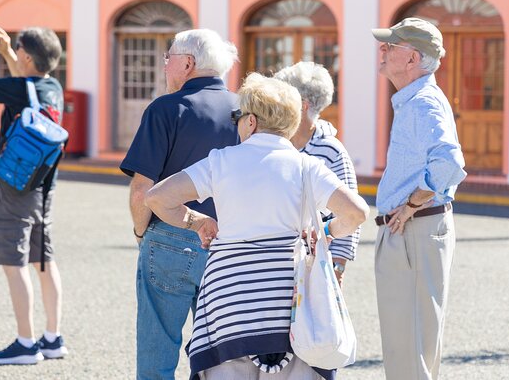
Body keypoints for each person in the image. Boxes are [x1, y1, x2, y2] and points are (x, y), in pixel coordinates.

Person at [145, 73, 369, 379]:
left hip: (229, 302)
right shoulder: (307, 167)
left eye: (237, 117)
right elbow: (356, 212)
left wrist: (197, 221)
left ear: (250, 121)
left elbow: (157, 198)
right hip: (292, 307)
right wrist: (326, 233)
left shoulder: (220, 162)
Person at [119, 28, 240, 379]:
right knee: (218, 357)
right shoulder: (246, 111)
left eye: (168, 57)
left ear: (187, 63)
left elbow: (142, 190)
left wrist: (141, 232)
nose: (164, 64)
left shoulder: (166, 109)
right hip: (229, 241)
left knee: (157, 353)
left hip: (171, 236)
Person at [0, 26, 67, 364]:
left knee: (13, 261)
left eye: (20, 50)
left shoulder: (21, 88)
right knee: (42, 260)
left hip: (16, 185)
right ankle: (52, 338)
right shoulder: (52, 87)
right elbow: (26, 79)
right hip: (45, 186)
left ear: (29, 56)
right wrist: (5, 51)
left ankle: (25, 343)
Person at [371, 17, 466, 380]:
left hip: (414, 229)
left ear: (412, 58)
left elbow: (450, 164)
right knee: (412, 347)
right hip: (416, 230)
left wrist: (410, 204)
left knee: (408, 348)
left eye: (390, 45)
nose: (382, 50)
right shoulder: (417, 99)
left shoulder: (422, 102)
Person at [274, 62, 360, 287]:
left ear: (301, 106)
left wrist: (338, 266)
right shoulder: (276, 142)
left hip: (314, 263)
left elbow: (350, 213)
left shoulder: (332, 150)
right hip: (276, 260)